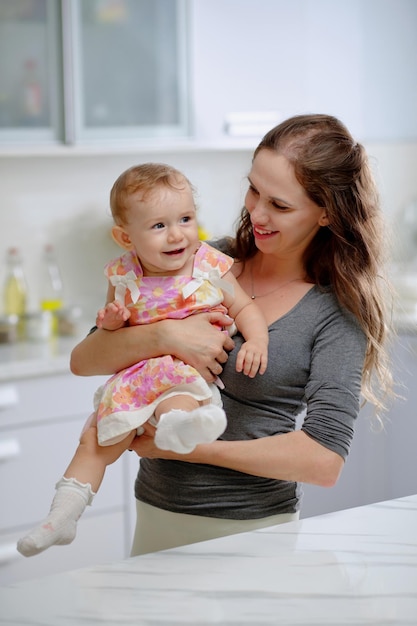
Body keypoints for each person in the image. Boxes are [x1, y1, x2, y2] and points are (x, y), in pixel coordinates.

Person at [69, 113, 393, 556]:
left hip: (256, 531)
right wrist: (168, 335)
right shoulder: (202, 259)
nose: (256, 212)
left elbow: (323, 461)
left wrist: (189, 449)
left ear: (325, 213)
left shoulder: (335, 313)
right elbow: (85, 360)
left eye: (279, 205)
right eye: (253, 189)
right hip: (157, 512)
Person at [16, 163, 269, 558]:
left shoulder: (207, 266)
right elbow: (106, 338)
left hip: (183, 375)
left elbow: (244, 309)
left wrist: (257, 340)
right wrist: (112, 322)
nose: (176, 234)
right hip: (134, 381)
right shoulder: (123, 277)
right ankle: (62, 516)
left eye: (185, 219)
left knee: (177, 404)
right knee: (94, 440)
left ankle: (183, 427)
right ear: (124, 236)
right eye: (158, 226)